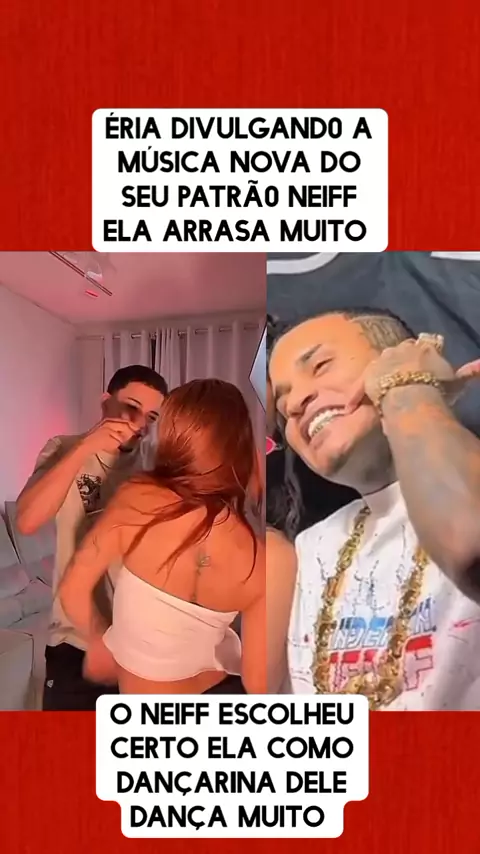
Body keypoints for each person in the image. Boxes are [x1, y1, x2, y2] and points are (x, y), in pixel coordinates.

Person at [268, 307, 480, 709]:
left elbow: (471, 546)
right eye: (281, 408)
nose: (294, 403)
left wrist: (409, 389)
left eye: (320, 365)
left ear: (403, 356)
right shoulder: (311, 548)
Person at [59, 379, 265, 696]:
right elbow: (259, 683)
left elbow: (72, 590)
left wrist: (98, 640)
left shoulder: (139, 499)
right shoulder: (258, 557)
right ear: (241, 446)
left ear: (173, 435)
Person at [16, 364, 168, 710]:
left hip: (141, 644)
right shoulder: (63, 448)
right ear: (105, 403)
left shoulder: (154, 466)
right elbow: (26, 521)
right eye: (131, 407)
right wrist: (86, 447)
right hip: (76, 641)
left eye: (151, 417)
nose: (140, 424)